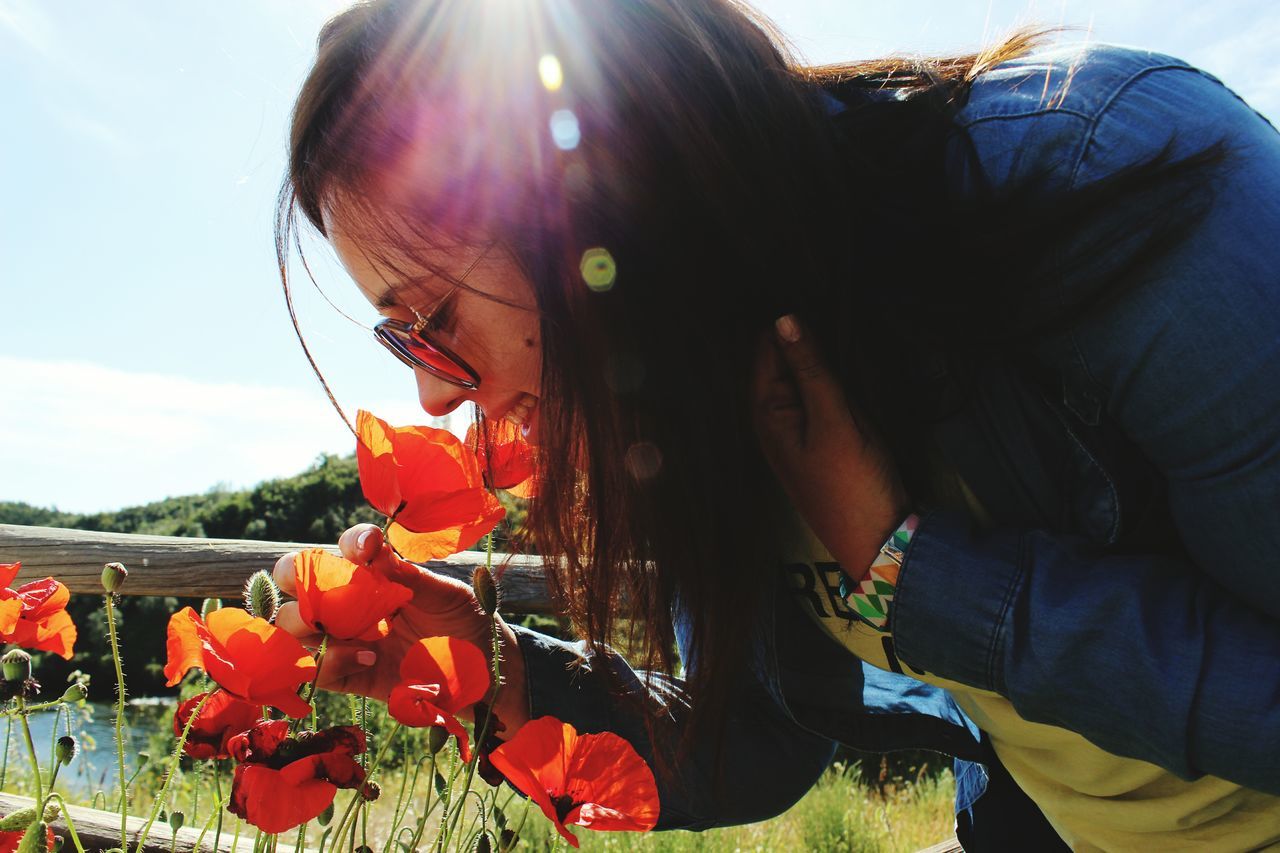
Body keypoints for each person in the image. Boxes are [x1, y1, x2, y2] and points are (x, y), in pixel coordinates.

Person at [268, 0, 1280, 847]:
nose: (433, 399)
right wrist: (496, 669)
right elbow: (757, 743)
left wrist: (910, 569)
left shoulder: (1107, 173)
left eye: (432, 322)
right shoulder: (679, 404)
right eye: (401, 344)